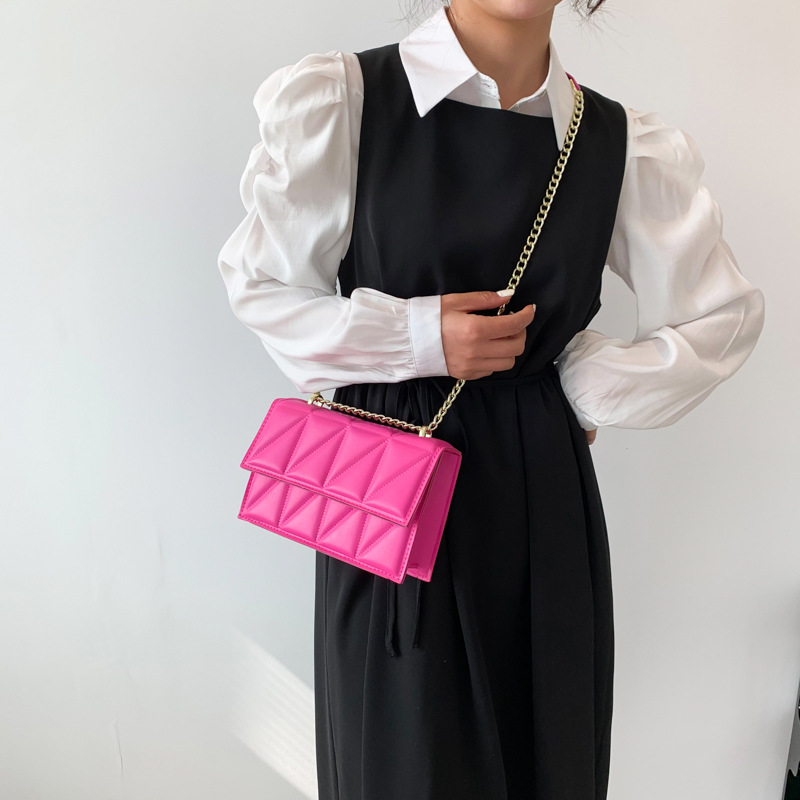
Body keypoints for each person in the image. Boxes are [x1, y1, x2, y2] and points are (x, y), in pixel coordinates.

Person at [217, 1, 766, 797]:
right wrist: (419, 337)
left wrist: (585, 383)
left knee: (546, 754)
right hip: (391, 498)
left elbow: (724, 315)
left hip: (542, 497)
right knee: (402, 760)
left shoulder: (616, 143)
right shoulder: (347, 100)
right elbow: (263, 287)